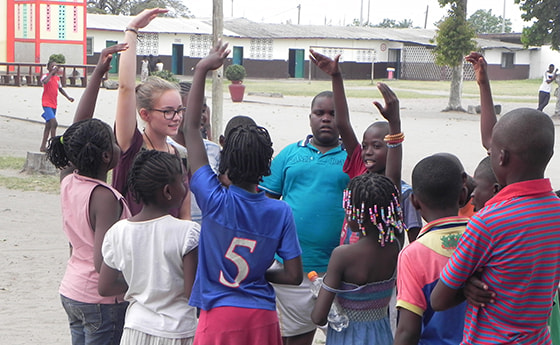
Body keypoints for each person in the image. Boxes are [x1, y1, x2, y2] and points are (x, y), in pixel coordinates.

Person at [184, 40, 304, 345]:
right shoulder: (281, 212)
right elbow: (293, 276)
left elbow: (190, 131)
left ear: (225, 159)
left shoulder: (212, 200)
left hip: (220, 316)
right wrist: (258, 274)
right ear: (267, 165)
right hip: (262, 316)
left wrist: (201, 70)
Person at [431, 107, 560, 344]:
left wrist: (466, 287)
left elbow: (439, 300)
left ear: (502, 158)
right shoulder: (556, 210)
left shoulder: (489, 221)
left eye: (491, 151)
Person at [45, 43, 130, 345]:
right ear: (107, 157)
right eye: (114, 142)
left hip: (71, 291)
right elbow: (101, 262)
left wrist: (97, 74)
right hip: (100, 301)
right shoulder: (105, 197)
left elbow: (76, 129)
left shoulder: (69, 179)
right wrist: (139, 284)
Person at [310, 82, 405, 345]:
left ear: (354, 212)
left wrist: (324, 288)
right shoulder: (394, 244)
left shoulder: (342, 256)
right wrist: (395, 124)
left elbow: (318, 317)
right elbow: (393, 181)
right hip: (381, 334)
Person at [259, 86, 349, 344]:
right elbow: (265, 203)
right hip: (291, 269)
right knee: (293, 339)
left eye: (333, 113)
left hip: (337, 273)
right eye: (319, 113)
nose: (326, 119)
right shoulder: (290, 154)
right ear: (310, 117)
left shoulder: (352, 157)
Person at [309, 49, 422, 245]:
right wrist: (336, 76)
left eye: (376, 146)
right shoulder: (360, 171)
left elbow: (393, 175)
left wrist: (395, 122)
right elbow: (343, 124)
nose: (367, 152)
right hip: (348, 262)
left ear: (391, 149)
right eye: (364, 146)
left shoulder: (393, 188)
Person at [98, 150, 200, 345]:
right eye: (182, 181)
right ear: (168, 191)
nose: (186, 187)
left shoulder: (118, 232)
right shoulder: (188, 232)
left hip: (135, 330)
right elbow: (191, 292)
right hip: (178, 332)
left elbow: (105, 287)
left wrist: (143, 284)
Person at [111, 8, 191, 219]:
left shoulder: (180, 156)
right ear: (145, 114)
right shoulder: (132, 146)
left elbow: (185, 215)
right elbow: (126, 88)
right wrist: (132, 29)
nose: (177, 117)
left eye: (179, 110)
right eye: (168, 112)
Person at [394, 153, 469, 345]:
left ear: (414, 201)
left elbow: (408, 331)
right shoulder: (485, 238)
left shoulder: (413, 255)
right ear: (463, 194)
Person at [39, 60, 74, 152]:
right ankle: (54, 146)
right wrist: (51, 73)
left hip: (54, 103)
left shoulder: (57, 79)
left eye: (55, 67)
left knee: (48, 125)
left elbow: (60, 89)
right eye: (52, 66)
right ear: (48, 68)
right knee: (54, 123)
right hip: (46, 103)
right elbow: (45, 82)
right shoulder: (45, 76)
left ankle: (43, 146)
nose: (54, 68)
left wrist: (68, 97)